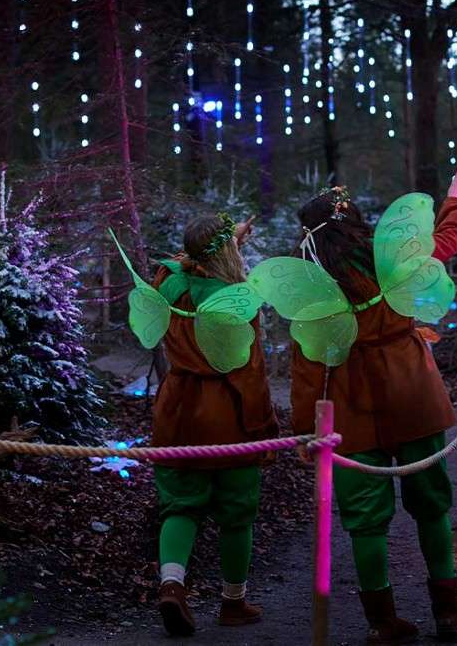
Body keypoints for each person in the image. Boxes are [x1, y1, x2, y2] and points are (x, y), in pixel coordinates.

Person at [291, 160, 457, 644]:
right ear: (353, 220)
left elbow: (308, 364)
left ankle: (381, 621)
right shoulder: (387, 254)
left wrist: (309, 427)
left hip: (350, 404)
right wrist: (455, 195)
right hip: (411, 388)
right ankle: (448, 614)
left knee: (365, 520)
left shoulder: (310, 284)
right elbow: (443, 245)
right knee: (432, 504)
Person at [148, 212, 278, 637]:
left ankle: (171, 585)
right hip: (229, 417)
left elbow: (173, 264)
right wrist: (264, 429)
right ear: (225, 253)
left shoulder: (168, 285)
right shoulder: (237, 301)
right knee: (236, 513)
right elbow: (251, 372)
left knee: (181, 505)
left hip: (178, 411)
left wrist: (219, 243)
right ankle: (233, 602)